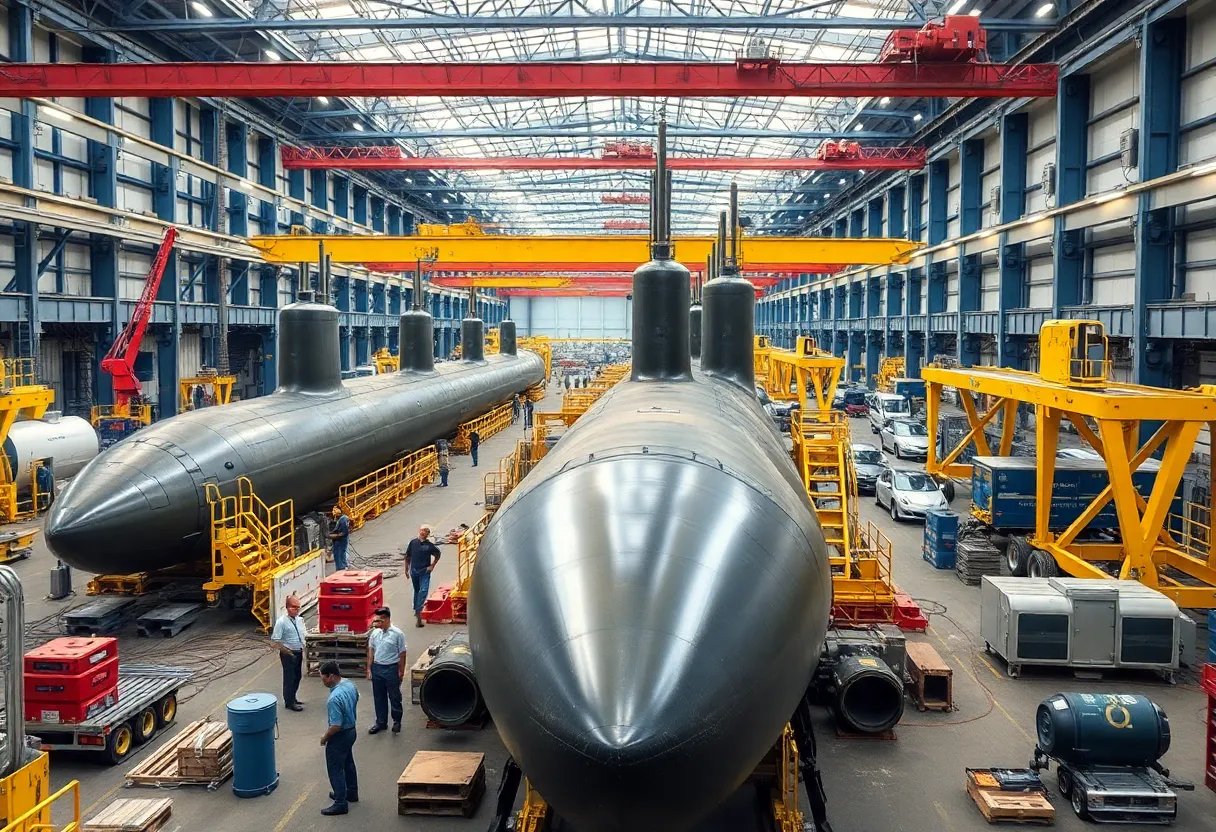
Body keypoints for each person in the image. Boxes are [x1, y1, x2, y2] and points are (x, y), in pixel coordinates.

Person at [319, 661, 359, 815]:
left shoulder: (334, 699)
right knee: (348, 762)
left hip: (340, 735)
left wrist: (324, 738)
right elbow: (357, 698)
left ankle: (340, 802)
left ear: (331, 676)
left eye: (323, 678)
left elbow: (335, 726)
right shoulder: (349, 684)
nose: (322, 682)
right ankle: (351, 792)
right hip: (351, 731)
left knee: (335, 768)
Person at [365, 607, 407, 734]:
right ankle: (381, 722)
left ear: (387, 619)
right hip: (377, 667)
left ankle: (397, 721)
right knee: (379, 697)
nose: (377, 623)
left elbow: (402, 653)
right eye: (376, 621)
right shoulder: (375, 634)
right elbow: (371, 651)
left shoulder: (398, 634)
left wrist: (401, 671)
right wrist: (369, 668)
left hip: (391, 668)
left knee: (394, 696)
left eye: (380, 621)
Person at [271, 596, 306, 712]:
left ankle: (293, 697)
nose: (296, 610)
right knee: (289, 678)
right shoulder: (281, 622)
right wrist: (289, 653)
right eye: (293, 607)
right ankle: (289, 702)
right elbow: (276, 641)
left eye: (298, 607)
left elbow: (302, 635)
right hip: (288, 654)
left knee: (297, 676)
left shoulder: (299, 620)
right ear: (287, 607)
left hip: (298, 651)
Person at [404, 525, 441, 628]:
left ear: (428, 534)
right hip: (414, 571)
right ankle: (417, 608)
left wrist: (432, 565)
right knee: (417, 591)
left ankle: (419, 611)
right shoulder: (413, 543)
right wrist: (406, 569)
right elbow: (407, 556)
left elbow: (438, 554)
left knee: (423, 591)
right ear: (419, 531)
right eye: (422, 530)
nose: (423, 532)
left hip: (424, 571)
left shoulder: (429, 546)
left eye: (426, 531)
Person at [329, 505, 351, 571]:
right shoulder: (338, 519)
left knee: (340, 555)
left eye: (335, 510)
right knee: (339, 555)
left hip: (341, 541)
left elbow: (344, 532)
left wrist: (333, 536)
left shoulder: (343, 519)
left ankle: (341, 569)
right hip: (337, 542)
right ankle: (343, 567)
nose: (333, 512)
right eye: (333, 510)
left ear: (340, 510)